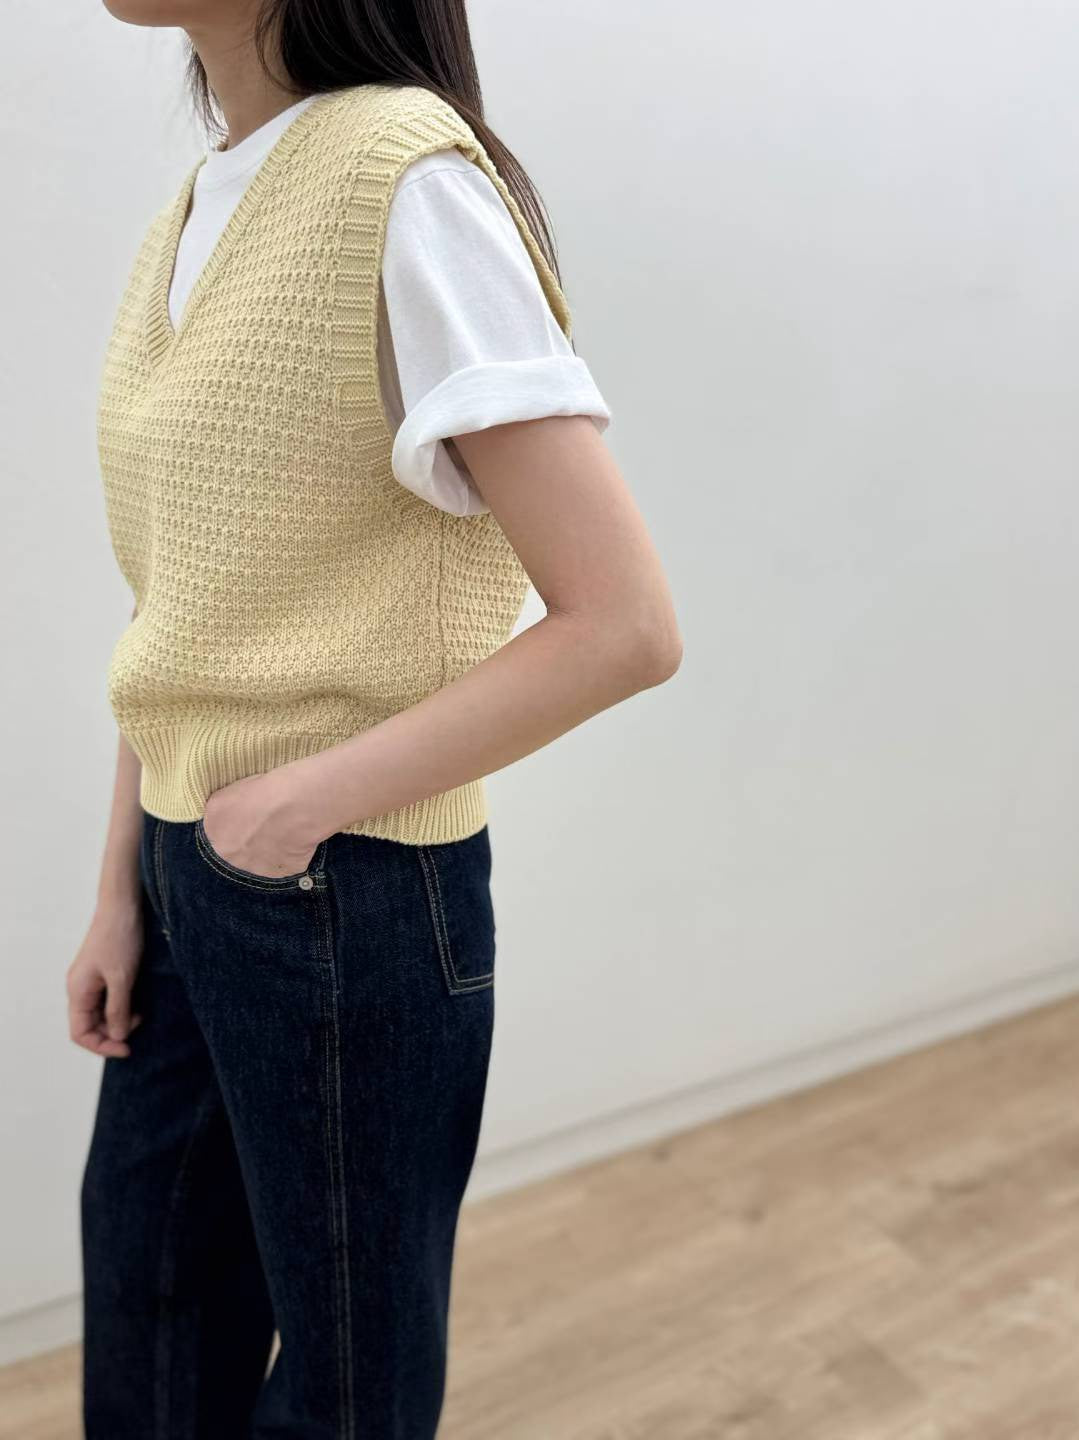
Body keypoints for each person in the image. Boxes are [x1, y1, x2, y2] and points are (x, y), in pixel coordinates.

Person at [71, 1, 683, 1435]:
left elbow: (626, 625)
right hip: (188, 868)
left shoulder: (405, 179)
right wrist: (122, 891)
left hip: (345, 892)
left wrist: (295, 807)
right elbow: (182, 611)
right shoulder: (192, 212)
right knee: (150, 1323)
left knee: (348, 1387)